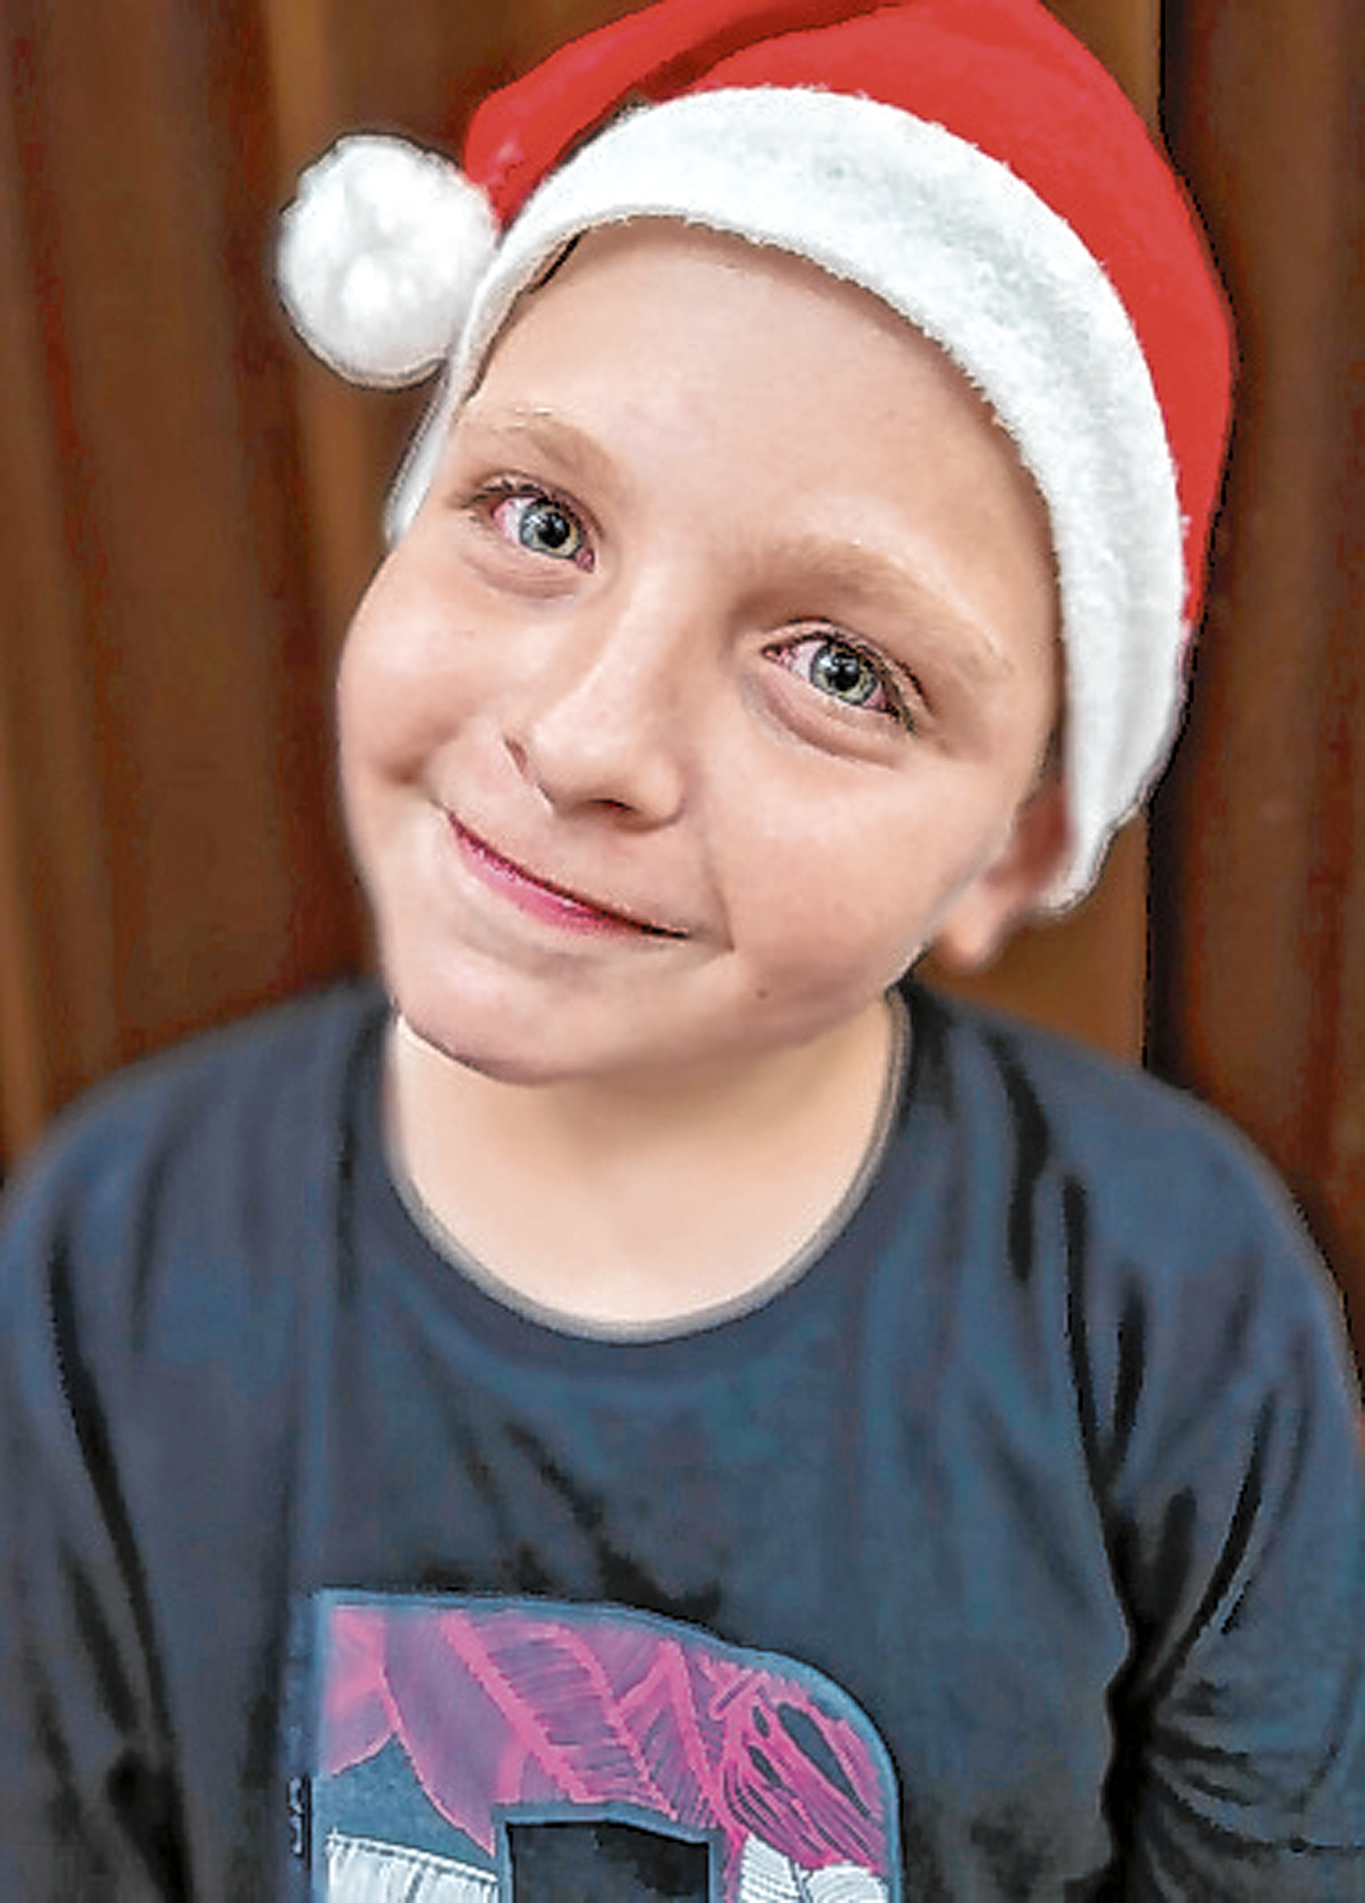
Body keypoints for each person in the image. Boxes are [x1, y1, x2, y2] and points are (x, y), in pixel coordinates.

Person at [1, 0, 1362, 1895]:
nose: (585, 740)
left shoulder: (1172, 1316)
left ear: (1019, 846)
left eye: (839, 669)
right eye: (538, 518)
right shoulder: (112, 1261)